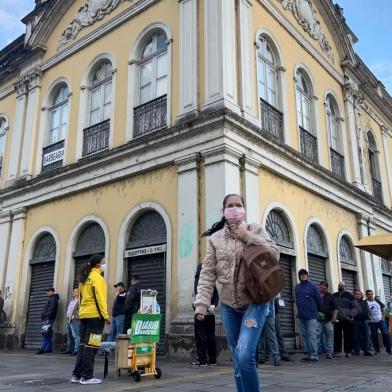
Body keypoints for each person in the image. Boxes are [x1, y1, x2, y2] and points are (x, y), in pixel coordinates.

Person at [194, 194, 279, 392]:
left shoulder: (255, 229)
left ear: (244, 209)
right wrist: (201, 304)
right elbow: (207, 273)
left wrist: (248, 237)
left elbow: (274, 255)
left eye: (238, 205)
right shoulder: (215, 239)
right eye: (230, 205)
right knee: (236, 356)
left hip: (255, 302)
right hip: (228, 305)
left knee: (244, 354)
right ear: (224, 211)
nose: (234, 208)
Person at [71, 254, 110, 385]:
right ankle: (87, 376)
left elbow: (81, 298)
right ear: (98, 265)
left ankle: (76, 375)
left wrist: (81, 313)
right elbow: (100, 298)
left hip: (84, 316)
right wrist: (106, 316)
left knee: (82, 345)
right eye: (103, 262)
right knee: (92, 345)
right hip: (95, 317)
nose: (104, 265)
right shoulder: (97, 278)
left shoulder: (84, 278)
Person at [192, 263, 219, 367]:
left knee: (200, 336)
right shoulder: (211, 281)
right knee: (211, 335)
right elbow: (216, 296)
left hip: (201, 311)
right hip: (211, 313)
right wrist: (213, 305)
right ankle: (213, 360)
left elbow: (198, 294)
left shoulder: (198, 280)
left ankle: (202, 360)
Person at [295, 269, 322, 362]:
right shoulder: (297, 287)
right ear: (299, 277)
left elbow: (319, 301)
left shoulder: (313, 287)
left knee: (312, 335)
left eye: (305, 275)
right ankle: (307, 354)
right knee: (303, 336)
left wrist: (317, 312)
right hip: (301, 316)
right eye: (301, 275)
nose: (303, 277)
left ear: (308, 276)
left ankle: (314, 355)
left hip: (311, 316)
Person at [333, 282, 358, 357]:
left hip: (347, 319)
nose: (340, 287)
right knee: (337, 336)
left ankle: (348, 351)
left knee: (348, 336)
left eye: (342, 286)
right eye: (339, 286)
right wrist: (333, 316)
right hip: (337, 319)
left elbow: (355, 307)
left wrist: (350, 315)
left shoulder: (350, 295)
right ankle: (337, 351)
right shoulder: (334, 295)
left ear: (345, 287)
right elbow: (331, 306)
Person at [366, 289, 391, 355]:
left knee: (385, 334)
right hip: (372, 322)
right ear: (366, 295)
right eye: (368, 294)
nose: (370, 295)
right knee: (374, 336)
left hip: (380, 321)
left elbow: (383, 309)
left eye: (371, 294)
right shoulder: (365, 302)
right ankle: (377, 350)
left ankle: (389, 349)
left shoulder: (378, 302)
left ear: (373, 294)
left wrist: (383, 318)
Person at [317, 281, 338, 359]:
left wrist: (334, 317)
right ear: (319, 286)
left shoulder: (330, 296)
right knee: (316, 336)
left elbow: (335, 308)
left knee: (329, 335)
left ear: (327, 288)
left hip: (328, 319)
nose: (322, 290)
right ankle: (315, 352)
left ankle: (329, 352)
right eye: (321, 288)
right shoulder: (316, 295)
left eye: (324, 289)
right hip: (317, 319)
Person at [257, 300, 281, 366]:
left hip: (268, 315)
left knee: (271, 336)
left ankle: (276, 358)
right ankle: (261, 357)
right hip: (260, 314)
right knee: (260, 337)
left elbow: (275, 296)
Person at [37, 288, 59, 354]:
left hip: (48, 319)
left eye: (48, 291)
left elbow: (52, 309)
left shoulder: (53, 299)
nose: (47, 292)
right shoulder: (51, 298)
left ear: (52, 291)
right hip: (48, 318)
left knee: (45, 333)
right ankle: (49, 348)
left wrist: (47, 317)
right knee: (48, 333)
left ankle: (42, 348)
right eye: (46, 291)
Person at [352, 289, 372, 356]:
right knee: (356, 337)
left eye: (359, 294)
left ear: (361, 295)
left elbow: (368, 310)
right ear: (354, 295)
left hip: (364, 321)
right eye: (356, 294)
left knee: (366, 336)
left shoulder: (364, 302)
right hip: (355, 321)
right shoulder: (351, 302)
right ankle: (356, 351)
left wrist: (368, 318)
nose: (357, 295)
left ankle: (366, 350)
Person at [273, 295, 292, 362]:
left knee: (278, 333)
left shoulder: (277, 287)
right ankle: (262, 355)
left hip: (275, 311)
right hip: (266, 311)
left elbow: (279, 299)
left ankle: (283, 353)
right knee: (263, 336)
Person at [63, 288, 80, 355]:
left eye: (75, 291)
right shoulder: (71, 301)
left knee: (76, 335)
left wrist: (76, 317)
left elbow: (80, 310)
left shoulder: (80, 301)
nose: (74, 292)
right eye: (73, 291)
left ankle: (76, 349)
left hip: (75, 319)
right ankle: (70, 348)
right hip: (68, 319)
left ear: (79, 293)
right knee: (69, 335)